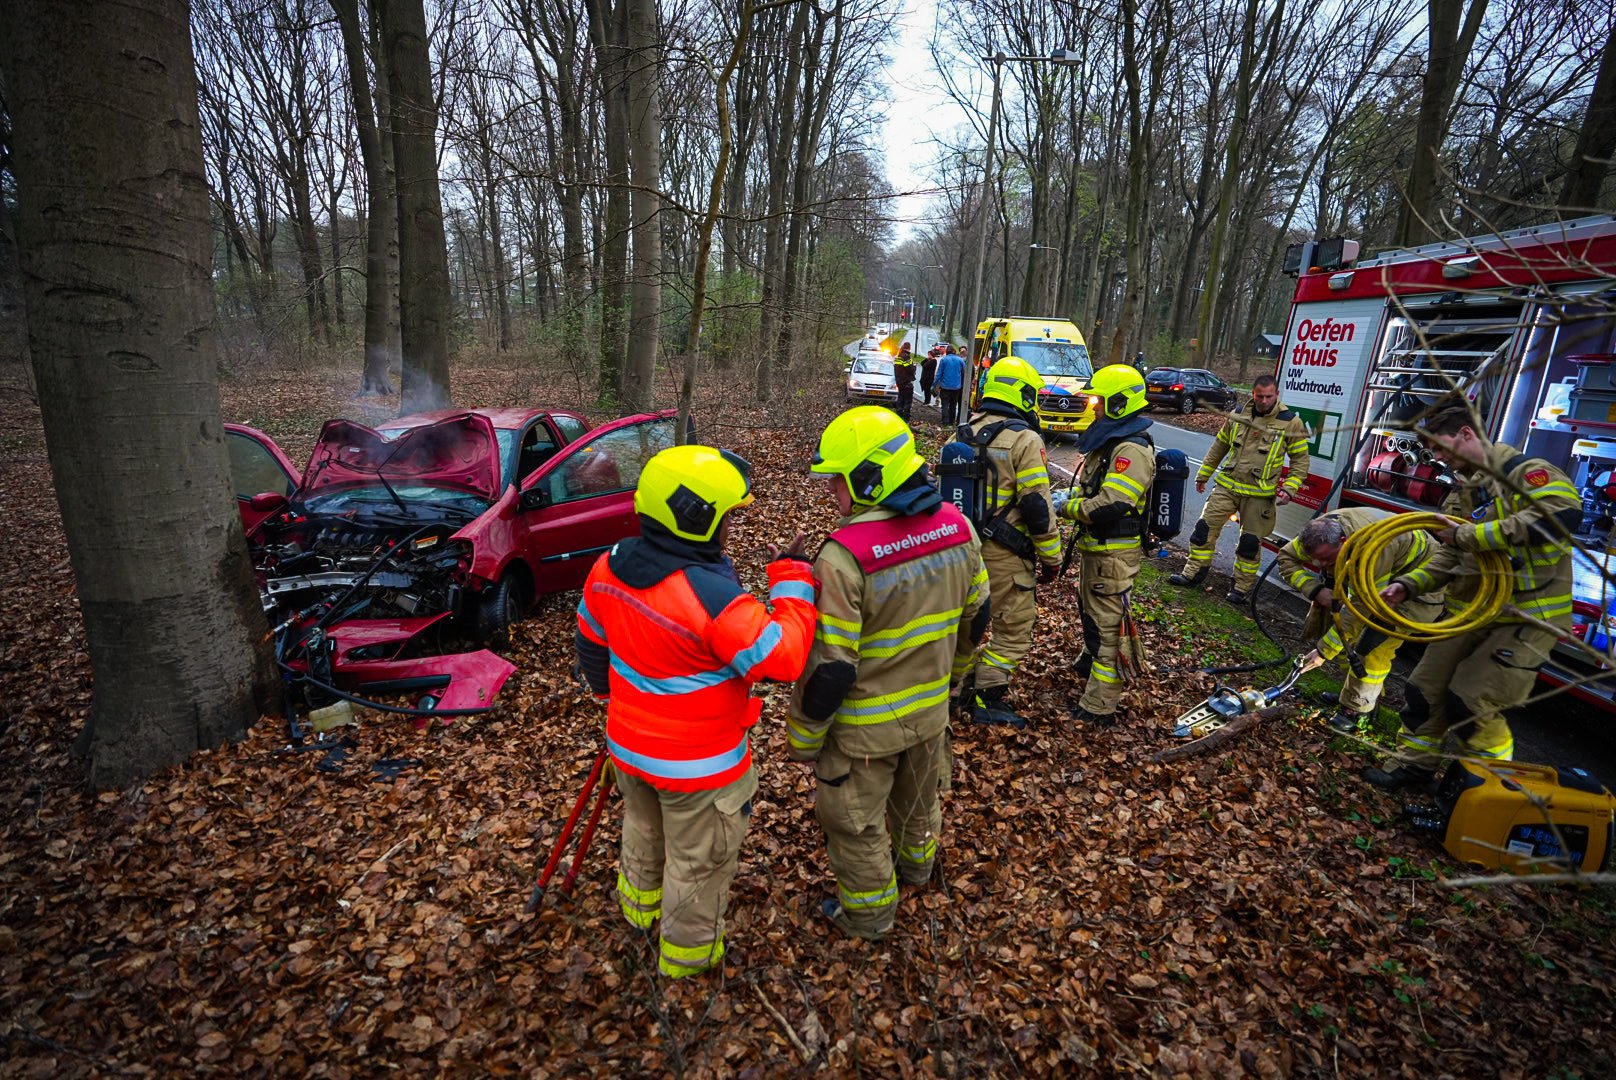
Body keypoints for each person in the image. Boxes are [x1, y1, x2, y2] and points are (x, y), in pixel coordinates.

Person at [574, 444, 818, 977]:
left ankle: (639, 917)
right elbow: (785, 658)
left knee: (642, 832)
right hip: (699, 772)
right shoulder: (710, 598)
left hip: (630, 751)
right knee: (696, 866)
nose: (732, 528)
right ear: (697, 519)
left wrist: (605, 699)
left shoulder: (608, 566)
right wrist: (794, 582)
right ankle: (687, 964)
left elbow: (590, 640)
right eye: (728, 517)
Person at [788, 407, 989, 940]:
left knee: (855, 827)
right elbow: (978, 620)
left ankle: (871, 917)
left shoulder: (842, 558)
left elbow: (830, 670)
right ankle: (918, 871)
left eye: (837, 480)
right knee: (919, 807)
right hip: (930, 716)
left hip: (862, 737)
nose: (832, 492)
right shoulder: (958, 527)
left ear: (868, 477)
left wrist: (803, 738)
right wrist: (953, 682)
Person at [1362, 405, 1581, 791]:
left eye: (1441, 448)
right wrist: (1408, 585)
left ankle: (1484, 788)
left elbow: (1560, 518)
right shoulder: (1465, 489)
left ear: (1466, 433)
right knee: (1423, 691)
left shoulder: (1526, 473)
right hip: (1472, 614)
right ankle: (1414, 769)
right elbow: (1450, 554)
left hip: (1524, 619)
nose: (1438, 458)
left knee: (1471, 702)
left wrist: (1471, 536)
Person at [952, 356, 1061, 727]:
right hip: (1006, 555)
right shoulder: (1025, 439)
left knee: (966, 627)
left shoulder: (961, 433)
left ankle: (950, 692)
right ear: (1024, 393)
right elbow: (1037, 506)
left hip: (960, 552)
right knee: (1013, 631)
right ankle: (986, 698)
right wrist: (1052, 558)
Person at [1050, 364, 1156, 725]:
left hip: (1114, 553)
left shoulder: (1132, 450)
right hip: (1099, 550)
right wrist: (1069, 494)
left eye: (1099, 400)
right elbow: (1092, 487)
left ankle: (1099, 705)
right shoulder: (1111, 442)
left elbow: (1113, 503)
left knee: (1108, 627)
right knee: (1092, 615)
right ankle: (1087, 664)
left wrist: (1068, 507)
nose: (1093, 406)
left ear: (1119, 403)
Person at [1276, 509, 1445, 733]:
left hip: (1419, 592)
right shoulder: (1320, 534)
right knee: (1351, 642)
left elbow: (1363, 607)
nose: (1320, 564)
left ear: (1344, 542)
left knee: (1372, 646)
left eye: (1326, 559)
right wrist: (1314, 589)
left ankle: (1358, 710)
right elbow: (1286, 556)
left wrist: (1323, 652)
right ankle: (1357, 694)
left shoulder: (1374, 549)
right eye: (1314, 559)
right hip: (1381, 583)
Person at [1169, 374, 1311, 602]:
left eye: (1268, 396)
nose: (1264, 401)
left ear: (1277, 395)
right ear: (1253, 395)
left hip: (1260, 495)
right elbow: (1220, 444)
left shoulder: (1290, 422)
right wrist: (1203, 474)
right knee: (1203, 531)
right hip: (1227, 486)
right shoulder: (1237, 415)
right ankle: (1193, 573)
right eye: (1259, 396)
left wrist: (1290, 488)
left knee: (1249, 544)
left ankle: (1241, 589)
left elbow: (1300, 460)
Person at [935, 345, 966, 427]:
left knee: (944, 405)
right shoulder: (960, 360)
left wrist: (934, 384)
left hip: (945, 387)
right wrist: (962, 385)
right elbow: (964, 374)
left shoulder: (944, 360)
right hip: (956, 388)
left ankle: (945, 422)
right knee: (953, 405)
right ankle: (952, 421)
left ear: (947, 352)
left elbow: (939, 374)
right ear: (954, 352)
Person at [893, 343, 917, 420]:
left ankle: (899, 414)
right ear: (909, 348)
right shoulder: (906, 357)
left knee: (900, 399)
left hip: (899, 381)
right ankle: (906, 417)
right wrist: (914, 367)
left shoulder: (898, 356)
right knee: (907, 401)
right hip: (907, 382)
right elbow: (910, 369)